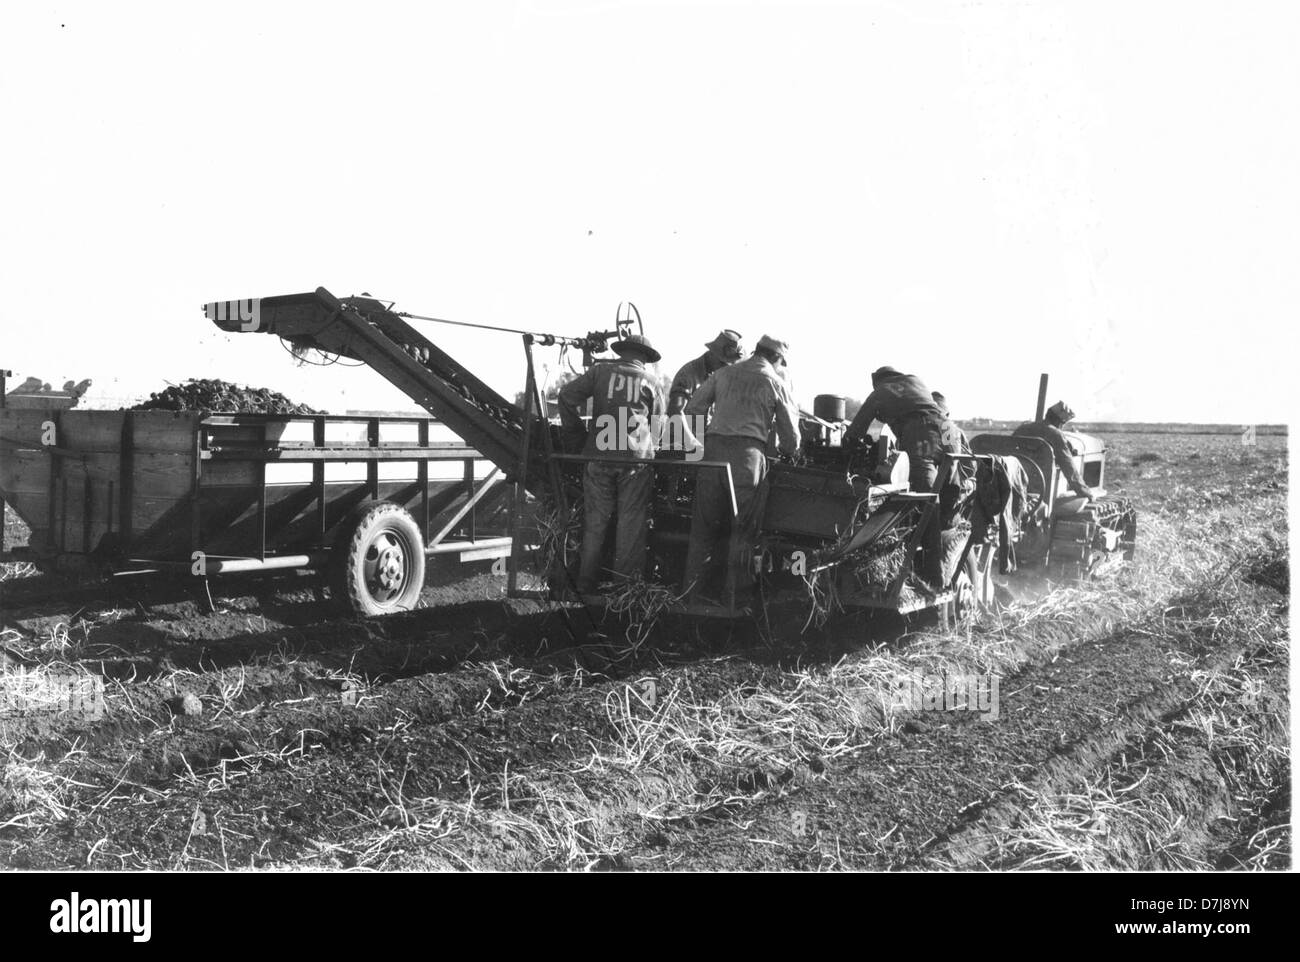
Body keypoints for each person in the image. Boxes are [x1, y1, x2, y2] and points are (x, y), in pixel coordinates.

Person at [681, 335, 799, 602]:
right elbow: (791, 441)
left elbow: (693, 409)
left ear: (757, 350)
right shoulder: (776, 382)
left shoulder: (724, 373)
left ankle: (691, 597)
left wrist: (704, 441)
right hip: (748, 462)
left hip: (712, 458)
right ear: (778, 359)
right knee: (743, 534)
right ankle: (734, 600)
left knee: (702, 531)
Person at [557, 334, 665, 594]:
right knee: (631, 524)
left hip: (598, 458)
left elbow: (566, 397)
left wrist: (577, 438)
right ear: (645, 358)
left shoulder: (599, 372)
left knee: (595, 522)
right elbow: (659, 428)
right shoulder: (651, 381)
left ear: (622, 352)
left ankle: (585, 583)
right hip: (635, 463)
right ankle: (624, 589)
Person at [844, 366, 947, 492]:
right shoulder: (914, 380)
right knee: (951, 475)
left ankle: (929, 510)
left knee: (923, 481)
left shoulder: (881, 391)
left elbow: (856, 429)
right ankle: (951, 509)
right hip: (947, 427)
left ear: (878, 381)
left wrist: (847, 445)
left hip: (920, 430)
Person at [1013, 400, 1098, 501]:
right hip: (1041, 487)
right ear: (1059, 422)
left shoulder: (1022, 429)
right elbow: (1068, 467)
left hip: (1016, 479)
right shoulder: (1055, 434)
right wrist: (1085, 492)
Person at [666, 330, 743, 418]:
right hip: (684, 429)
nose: (724, 368)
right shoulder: (688, 375)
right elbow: (675, 412)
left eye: (728, 364)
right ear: (712, 354)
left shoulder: (721, 377)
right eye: (722, 363)